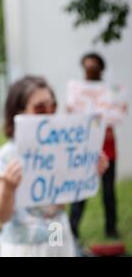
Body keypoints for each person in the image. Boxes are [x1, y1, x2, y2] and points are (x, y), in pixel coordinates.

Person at [0, 76, 108, 257]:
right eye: (39, 108)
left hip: (57, 236)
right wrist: (8, 188)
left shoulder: (63, 147)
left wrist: (87, 172)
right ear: (19, 112)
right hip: (23, 246)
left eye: (52, 106)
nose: (48, 112)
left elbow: (60, 202)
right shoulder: (7, 155)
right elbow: (2, 216)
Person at [69, 53, 120, 239]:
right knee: (79, 191)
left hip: (107, 147)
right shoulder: (77, 91)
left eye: (93, 66)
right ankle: (71, 230)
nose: (89, 70)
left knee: (108, 192)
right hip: (85, 147)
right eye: (86, 67)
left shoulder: (109, 92)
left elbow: (115, 113)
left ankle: (111, 228)